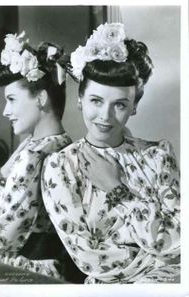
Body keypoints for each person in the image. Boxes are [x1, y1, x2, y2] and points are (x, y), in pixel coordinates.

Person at [41, 23, 180, 283]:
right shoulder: (60, 167)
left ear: (134, 106)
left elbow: (180, 236)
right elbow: (89, 258)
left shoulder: (158, 156)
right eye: (96, 101)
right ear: (80, 99)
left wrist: (117, 189)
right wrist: (161, 259)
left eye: (119, 104)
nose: (105, 116)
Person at [0, 31, 72, 279]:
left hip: (29, 270)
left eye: (12, 100)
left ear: (41, 98)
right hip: (55, 265)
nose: (5, 111)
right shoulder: (65, 144)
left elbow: (0, 237)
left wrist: (2, 173)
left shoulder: (33, 154)